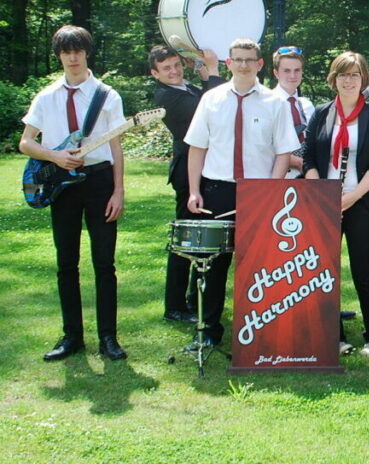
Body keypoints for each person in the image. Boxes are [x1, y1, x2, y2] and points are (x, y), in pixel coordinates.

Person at [20, 25, 128, 361]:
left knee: (104, 263)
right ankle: (72, 337)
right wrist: (54, 156)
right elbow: (25, 142)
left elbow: (116, 146)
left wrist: (119, 191)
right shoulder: (46, 97)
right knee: (66, 263)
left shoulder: (107, 95)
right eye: (66, 52)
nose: (73, 57)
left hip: (99, 182)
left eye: (78, 50)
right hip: (61, 186)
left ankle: (108, 338)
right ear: (59, 56)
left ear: (86, 53)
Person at [184, 38, 299, 348]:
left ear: (260, 64)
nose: (244, 64)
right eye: (238, 59)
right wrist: (194, 190)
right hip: (217, 190)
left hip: (259, 193)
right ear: (228, 63)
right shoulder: (211, 99)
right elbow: (197, 148)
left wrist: (273, 192)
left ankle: (259, 330)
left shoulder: (275, 103)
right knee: (212, 264)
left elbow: (283, 153)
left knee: (259, 266)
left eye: (250, 59)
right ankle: (207, 331)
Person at [303, 51, 369, 357]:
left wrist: (352, 196)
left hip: (362, 202)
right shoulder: (321, 112)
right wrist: (323, 194)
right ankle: (334, 335)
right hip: (324, 204)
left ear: (363, 79)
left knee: (363, 270)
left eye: (354, 75)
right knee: (326, 271)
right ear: (334, 79)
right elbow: (308, 157)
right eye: (343, 74)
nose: (349, 80)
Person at [149, 43, 224, 324]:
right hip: (187, 173)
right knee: (185, 239)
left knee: (204, 238)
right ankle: (175, 305)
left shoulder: (187, 88)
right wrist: (212, 73)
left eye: (177, 65)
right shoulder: (167, 97)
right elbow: (213, 111)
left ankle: (195, 298)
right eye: (166, 68)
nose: (174, 71)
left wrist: (206, 78)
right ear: (155, 73)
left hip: (206, 170)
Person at [270, 46, 315, 179]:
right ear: (276, 73)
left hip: (306, 179)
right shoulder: (265, 104)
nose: (292, 76)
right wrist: (294, 161)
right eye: (287, 71)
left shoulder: (307, 105)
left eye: (297, 70)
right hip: (274, 179)